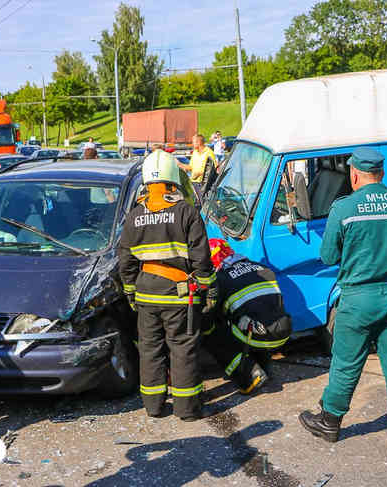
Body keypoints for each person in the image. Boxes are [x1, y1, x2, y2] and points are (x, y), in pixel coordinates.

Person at [298, 147, 387, 466]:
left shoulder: (344, 208)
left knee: (346, 364)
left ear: (354, 174)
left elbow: (327, 257)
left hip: (357, 298)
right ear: (381, 173)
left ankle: (329, 424)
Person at [118, 149, 217, 421]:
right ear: (174, 178)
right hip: (179, 297)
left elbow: (124, 257)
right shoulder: (186, 211)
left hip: (146, 295)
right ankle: (186, 409)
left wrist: (130, 291)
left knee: (150, 349)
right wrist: (208, 288)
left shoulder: (135, 214)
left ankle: (153, 406)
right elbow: (201, 257)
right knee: (182, 348)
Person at [208, 239, 291, 370]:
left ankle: (247, 373)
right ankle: (264, 365)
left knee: (212, 330)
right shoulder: (262, 267)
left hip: (258, 337)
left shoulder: (222, 278)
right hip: (284, 330)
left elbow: (216, 313)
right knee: (254, 314)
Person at [176, 134, 217, 202]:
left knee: (203, 204)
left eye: (193, 142)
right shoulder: (195, 152)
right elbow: (190, 167)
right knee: (196, 205)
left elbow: (213, 169)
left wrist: (199, 174)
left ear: (198, 142)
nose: (192, 144)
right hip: (194, 183)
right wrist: (179, 164)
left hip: (203, 185)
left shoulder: (209, 153)